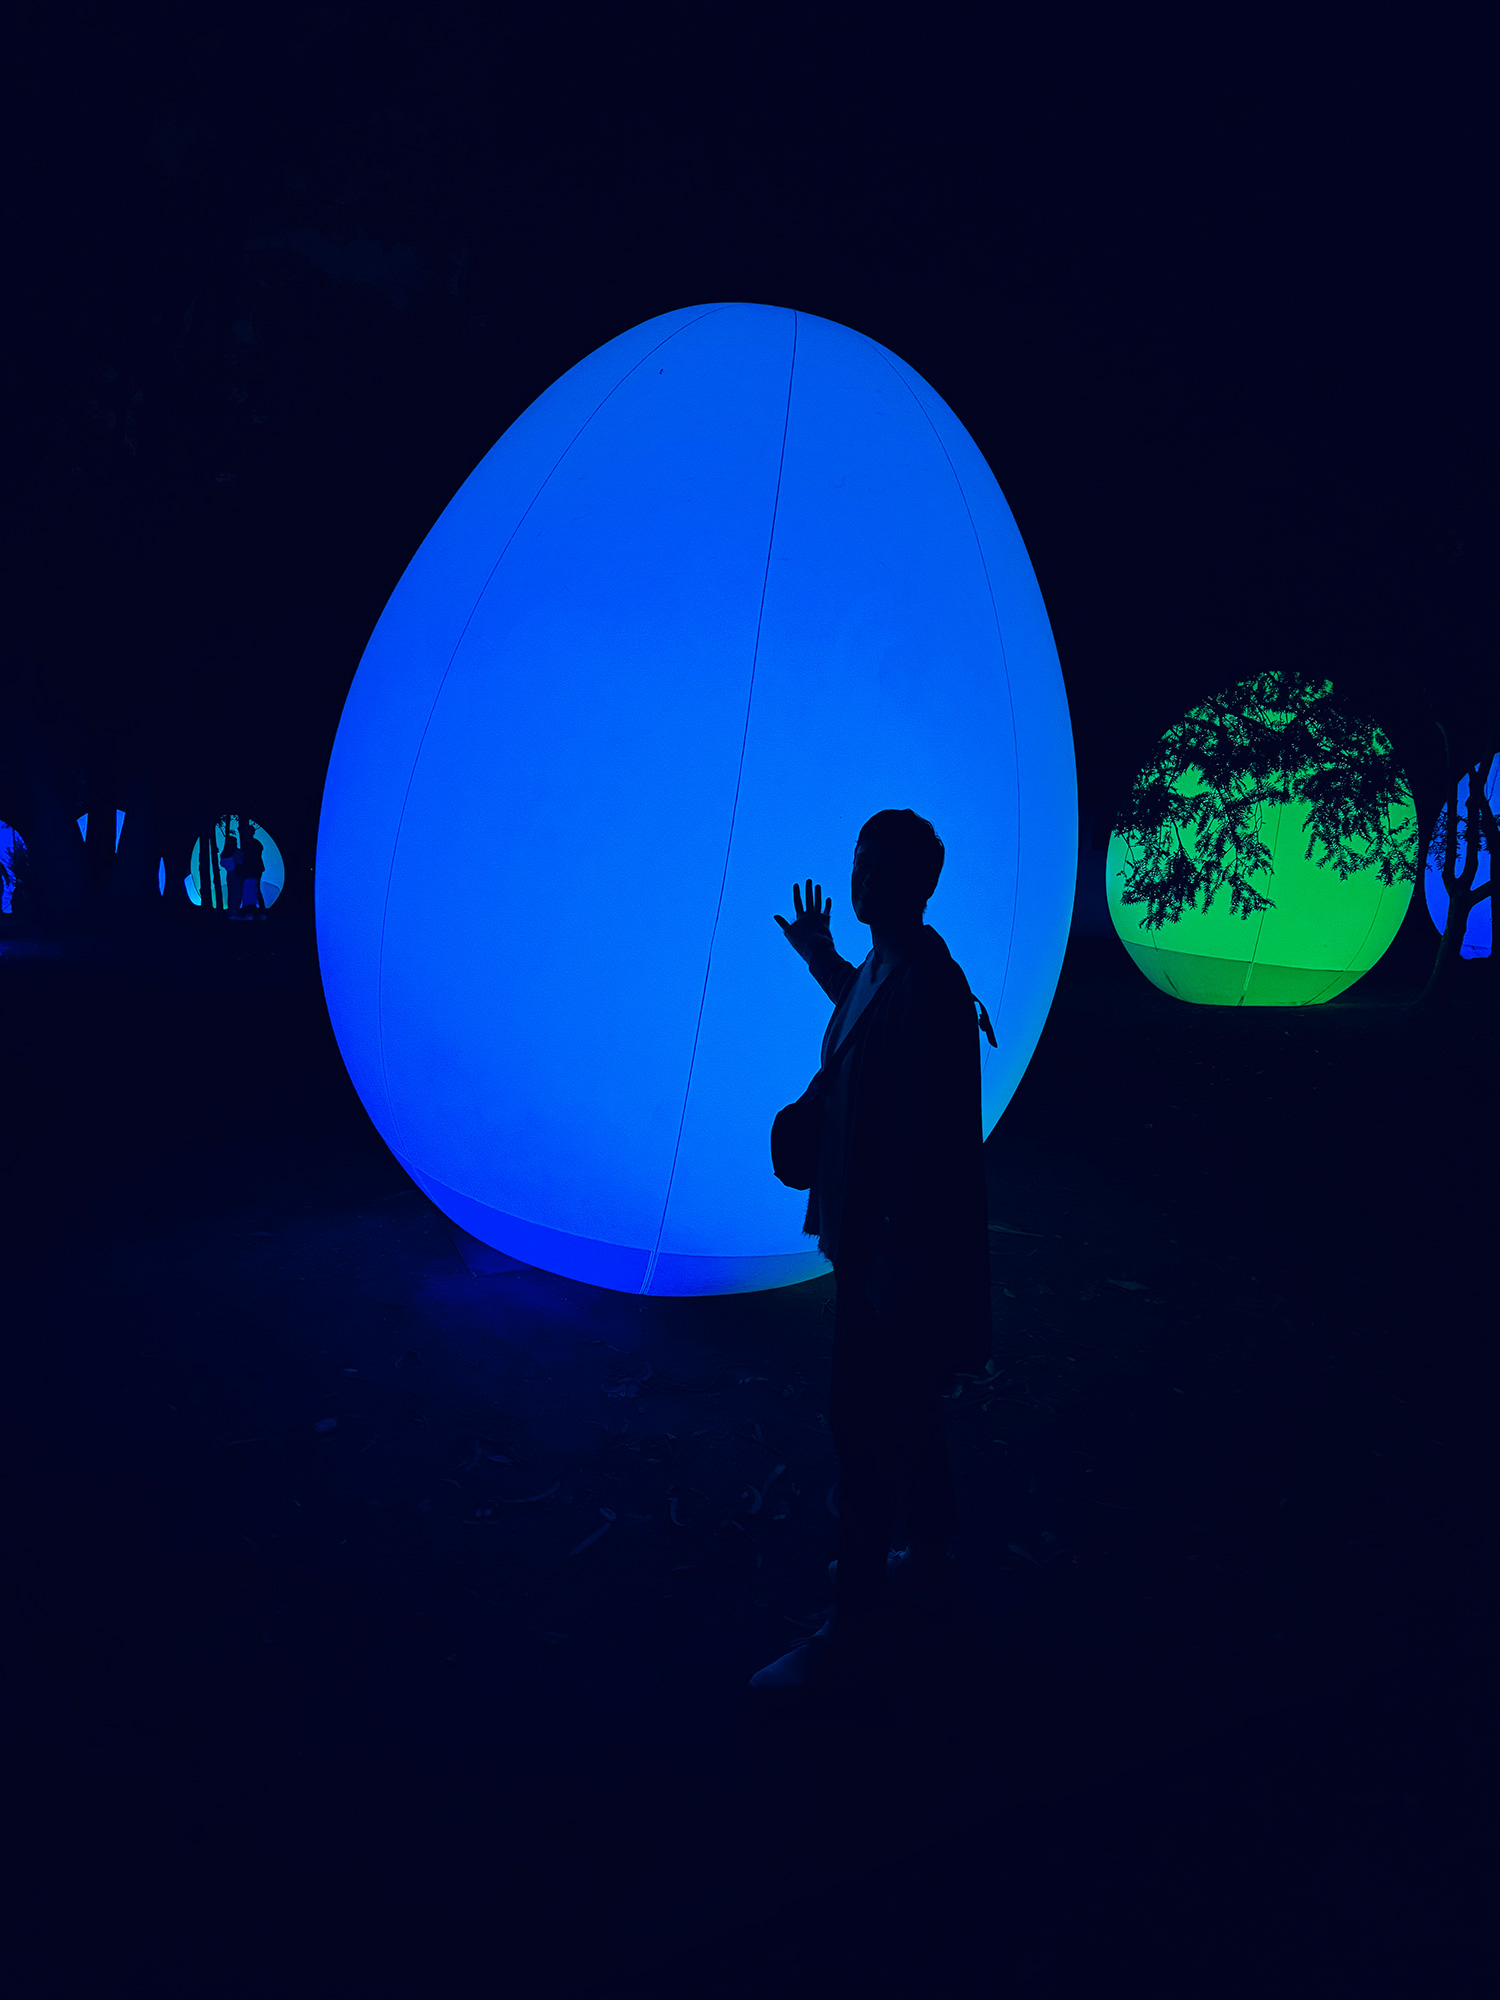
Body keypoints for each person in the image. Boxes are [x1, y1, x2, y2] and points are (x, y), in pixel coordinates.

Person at [752, 809, 993, 1696]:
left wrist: (891, 1262)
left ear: (921, 884)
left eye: (882, 867)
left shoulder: (931, 985)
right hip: (876, 1250)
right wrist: (818, 956)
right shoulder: (892, 973)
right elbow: (866, 1013)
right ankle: (928, 1561)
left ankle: (847, 1636)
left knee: (862, 1432)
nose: (861, 880)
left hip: (890, 1260)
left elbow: (927, 1139)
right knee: (910, 1414)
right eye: (858, 860)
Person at [239, 823, 267, 919]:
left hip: (253, 870)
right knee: (252, 890)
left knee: (254, 890)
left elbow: (251, 859)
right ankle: (257, 911)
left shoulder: (253, 844)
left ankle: (257, 912)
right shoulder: (254, 844)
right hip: (253, 870)